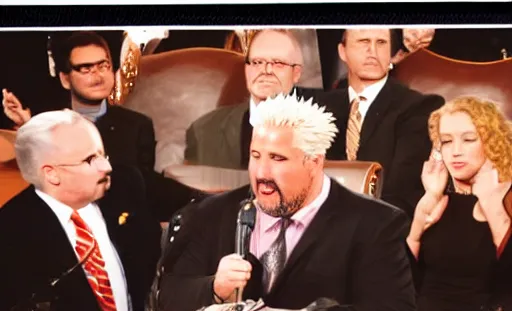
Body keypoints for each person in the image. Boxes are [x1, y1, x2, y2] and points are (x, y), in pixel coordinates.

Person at [160, 93, 418, 311]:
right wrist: (213, 288)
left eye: (278, 159)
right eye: (255, 156)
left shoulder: (374, 223)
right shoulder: (212, 215)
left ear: (314, 161)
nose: (262, 173)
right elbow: (165, 298)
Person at [394, 96, 512, 311]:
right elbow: (402, 282)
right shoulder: (438, 198)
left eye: (468, 139)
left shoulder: (507, 195)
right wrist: (421, 216)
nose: (455, 150)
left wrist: (490, 202)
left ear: (490, 141)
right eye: (446, 141)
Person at [2, 31, 188, 221]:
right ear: (65, 79)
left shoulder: (138, 125)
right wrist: (30, 127)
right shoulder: (53, 122)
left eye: (103, 65)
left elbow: (142, 188)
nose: (97, 75)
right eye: (85, 68)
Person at [0, 109, 161, 311]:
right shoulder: (11, 231)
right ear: (52, 174)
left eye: (103, 154)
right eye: (90, 160)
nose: (106, 167)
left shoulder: (126, 188)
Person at [313, 28, 444, 218]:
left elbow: (403, 191)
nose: (372, 51)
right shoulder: (318, 107)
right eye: (363, 42)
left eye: (381, 43)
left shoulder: (418, 107)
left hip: (380, 226)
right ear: (343, 51)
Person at [184, 29, 304, 170]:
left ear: (296, 73)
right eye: (257, 62)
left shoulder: (325, 130)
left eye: (278, 63)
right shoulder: (203, 132)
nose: (266, 70)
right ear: (246, 69)